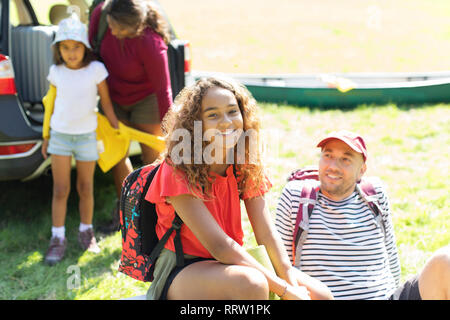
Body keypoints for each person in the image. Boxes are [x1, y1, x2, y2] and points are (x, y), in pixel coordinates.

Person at [141, 77, 333, 300]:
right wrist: (285, 291)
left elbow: (267, 233)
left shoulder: (243, 161)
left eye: (233, 111)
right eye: (212, 115)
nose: (226, 122)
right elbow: (220, 246)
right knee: (250, 284)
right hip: (182, 267)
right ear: (196, 122)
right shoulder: (177, 167)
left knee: (321, 295)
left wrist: (290, 281)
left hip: (228, 263)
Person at [275, 130, 450, 300]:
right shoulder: (296, 197)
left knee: (446, 260)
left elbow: (390, 254)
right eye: (327, 155)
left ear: (361, 171)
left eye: (345, 159)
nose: (333, 166)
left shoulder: (374, 194)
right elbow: (280, 265)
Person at [88, 0, 173, 233]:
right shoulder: (101, 15)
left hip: (146, 99)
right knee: (116, 156)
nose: (113, 31)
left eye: (120, 29)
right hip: (113, 97)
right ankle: (127, 213)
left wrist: (170, 129)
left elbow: (163, 90)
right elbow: (93, 53)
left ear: (135, 28)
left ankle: (154, 216)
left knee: (152, 160)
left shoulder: (151, 42)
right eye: (111, 25)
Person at [41, 14, 119, 265]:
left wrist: (116, 127)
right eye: (65, 47)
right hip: (60, 137)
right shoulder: (56, 72)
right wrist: (45, 137)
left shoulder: (96, 70)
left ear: (85, 47)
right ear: (58, 49)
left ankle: (87, 232)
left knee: (86, 188)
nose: (71, 53)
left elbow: (105, 101)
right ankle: (57, 238)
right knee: (60, 189)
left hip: (87, 136)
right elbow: (50, 105)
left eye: (76, 47)